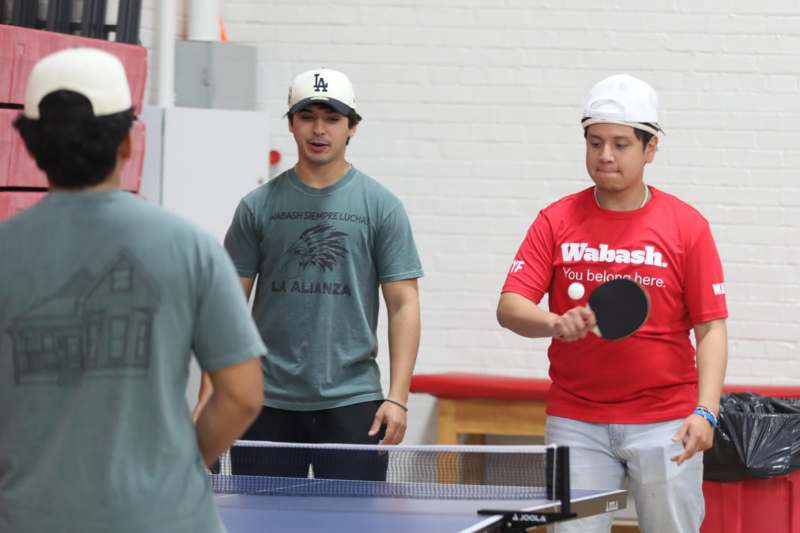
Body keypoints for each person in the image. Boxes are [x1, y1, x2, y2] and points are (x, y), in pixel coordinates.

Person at [0, 48, 265, 533]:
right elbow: (243, 395)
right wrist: (179, 468)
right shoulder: (191, 248)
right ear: (127, 141)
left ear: (32, 146)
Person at [497, 74, 728, 532]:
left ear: (650, 148)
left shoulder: (687, 227)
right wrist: (553, 322)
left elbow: (711, 328)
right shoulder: (555, 219)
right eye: (595, 142)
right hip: (576, 419)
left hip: (666, 422)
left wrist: (707, 411)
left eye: (621, 144)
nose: (605, 155)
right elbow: (510, 306)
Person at [195, 68, 423, 480]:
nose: (319, 130)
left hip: (354, 404)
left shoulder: (382, 207)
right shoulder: (257, 206)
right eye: (307, 117)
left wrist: (398, 398)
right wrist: (210, 399)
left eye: (333, 118)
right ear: (291, 123)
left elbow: (404, 304)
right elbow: (225, 309)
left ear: (352, 127)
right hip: (264, 401)